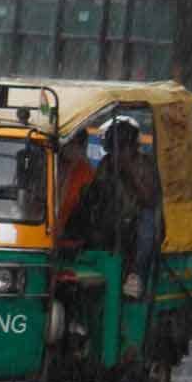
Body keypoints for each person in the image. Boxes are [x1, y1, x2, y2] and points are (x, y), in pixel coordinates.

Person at [76, 117, 162, 299]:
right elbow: (96, 192)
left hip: (136, 217)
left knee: (147, 225)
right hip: (113, 215)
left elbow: (148, 199)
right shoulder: (107, 163)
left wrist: (127, 170)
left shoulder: (144, 164)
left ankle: (136, 275)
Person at [55, 129, 94, 239]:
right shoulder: (49, 163)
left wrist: (71, 169)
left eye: (79, 145)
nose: (75, 148)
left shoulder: (86, 172)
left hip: (71, 235)